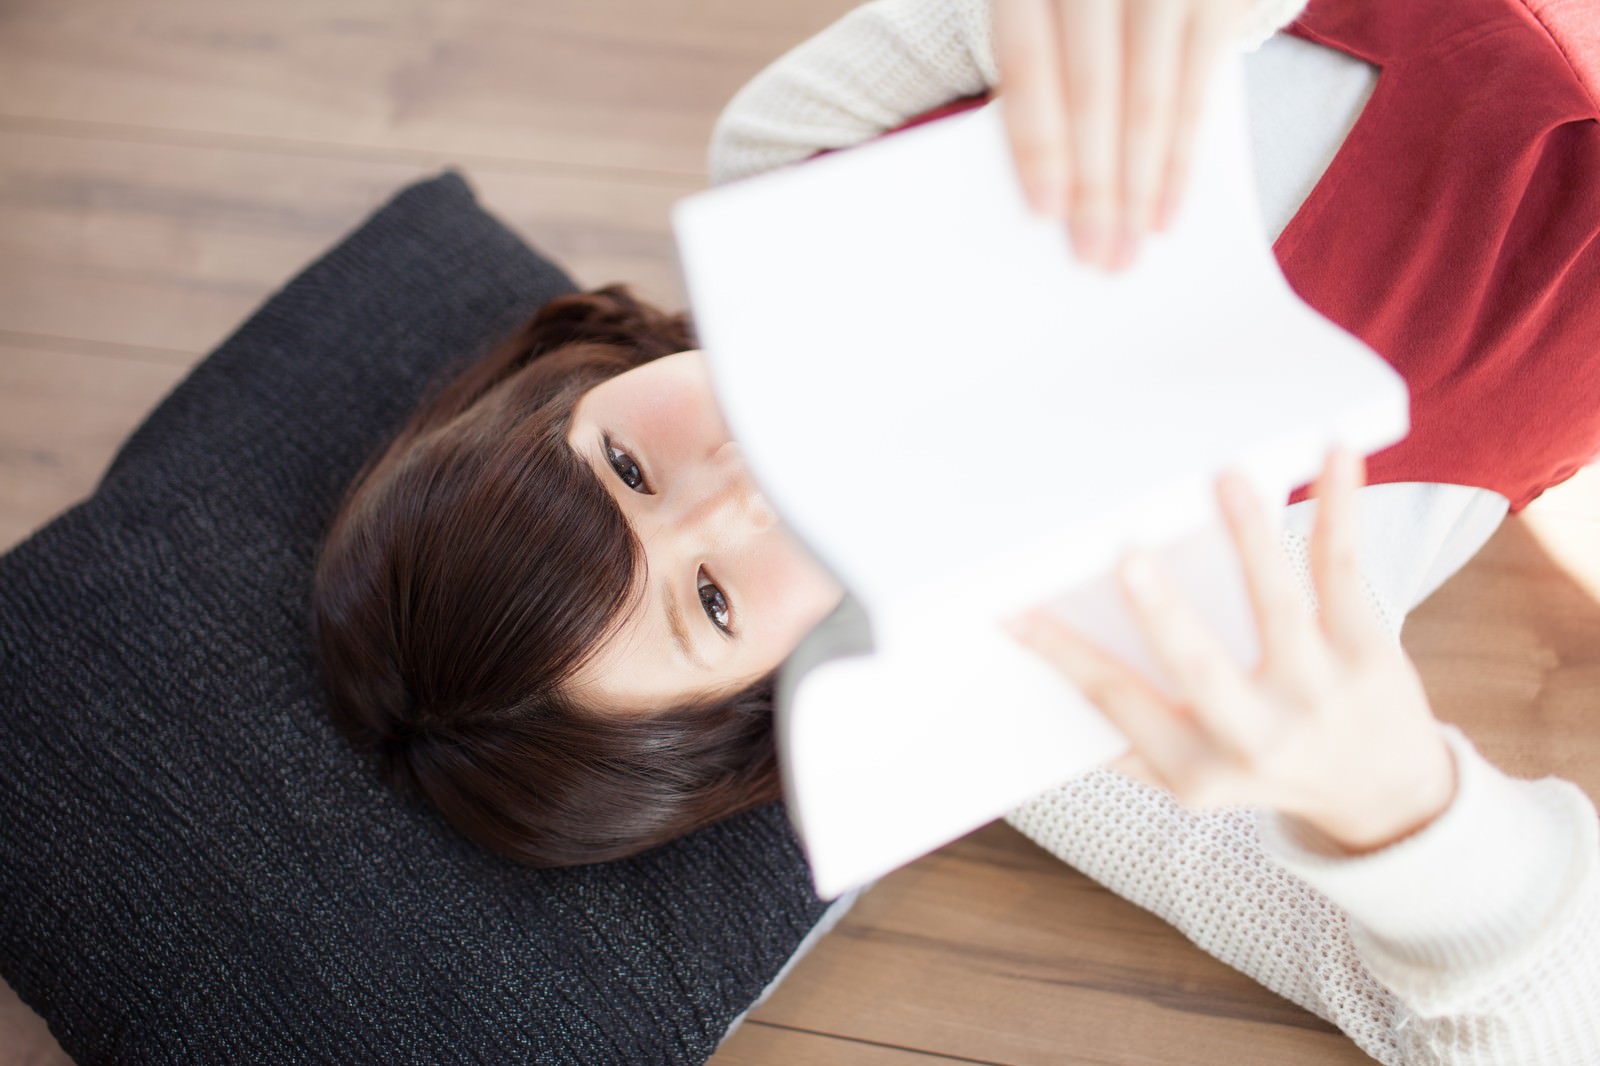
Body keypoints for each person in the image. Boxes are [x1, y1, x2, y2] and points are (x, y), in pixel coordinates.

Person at [312, 0, 1600, 1060]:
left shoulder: (786, 158)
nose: (738, 485)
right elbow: (1531, 1030)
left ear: (575, 374)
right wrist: (1397, 807)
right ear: (775, 701)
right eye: (710, 601)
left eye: (626, 463)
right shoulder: (1105, 706)